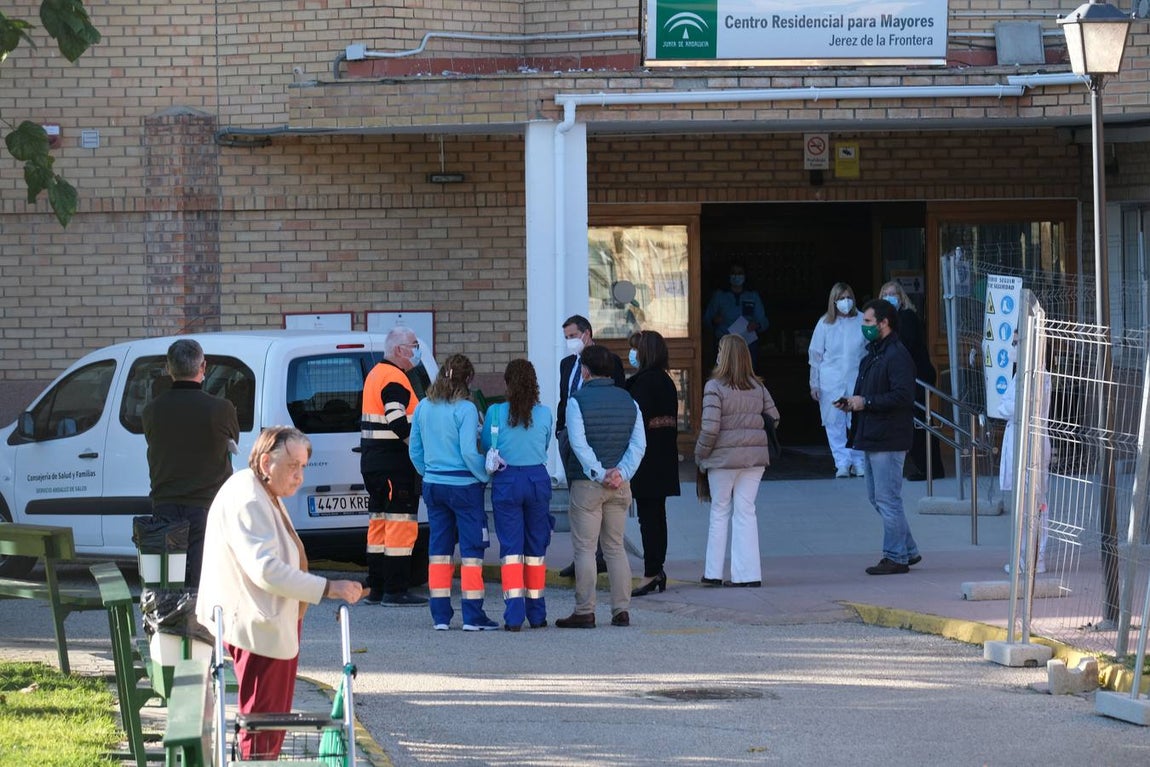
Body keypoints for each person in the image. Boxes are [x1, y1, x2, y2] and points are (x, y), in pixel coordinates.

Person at [195, 426, 364, 761]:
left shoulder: (261, 490)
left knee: (268, 724)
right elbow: (266, 569)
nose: (299, 476)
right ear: (265, 461)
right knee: (263, 726)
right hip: (259, 628)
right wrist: (328, 588)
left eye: (302, 467)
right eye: (292, 466)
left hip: (268, 623)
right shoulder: (249, 496)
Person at [556, 344, 646, 628]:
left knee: (585, 549)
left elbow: (579, 445)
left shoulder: (577, 401)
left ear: (584, 371)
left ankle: (585, 610)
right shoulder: (630, 401)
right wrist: (621, 472)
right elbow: (638, 444)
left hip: (588, 484)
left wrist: (599, 472)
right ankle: (621, 610)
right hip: (620, 485)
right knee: (615, 547)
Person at [142, 338, 239, 589]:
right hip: (208, 508)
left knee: (168, 587)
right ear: (203, 367)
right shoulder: (221, 408)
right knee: (204, 586)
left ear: (169, 368)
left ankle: (172, 628)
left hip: (165, 506)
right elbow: (233, 439)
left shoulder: (152, 410)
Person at [409, 354, 495, 631]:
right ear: (468, 380)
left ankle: (441, 617)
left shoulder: (423, 407)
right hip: (464, 486)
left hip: (434, 485)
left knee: (439, 551)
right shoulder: (466, 409)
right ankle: (472, 616)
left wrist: (429, 472)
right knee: (471, 552)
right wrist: (484, 474)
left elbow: (415, 450)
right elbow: (470, 452)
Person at [838, 298, 922, 575]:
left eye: (868, 322)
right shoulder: (874, 354)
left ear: (884, 323)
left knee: (887, 499)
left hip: (889, 437)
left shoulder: (896, 354)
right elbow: (872, 390)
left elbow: (903, 395)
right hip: (873, 433)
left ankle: (895, 556)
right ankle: (907, 549)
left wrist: (867, 402)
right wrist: (853, 402)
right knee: (878, 498)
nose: (864, 326)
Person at [695, 335, 779, 588]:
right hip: (754, 460)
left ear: (725, 355)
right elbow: (774, 418)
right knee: (746, 512)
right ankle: (748, 575)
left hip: (722, 460)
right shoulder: (758, 386)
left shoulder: (715, 387)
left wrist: (700, 454)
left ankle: (713, 573)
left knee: (720, 511)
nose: (717, 354)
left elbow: (710, 429)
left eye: (720, 350)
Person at [480, 359, 554, 630]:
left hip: (507, 481)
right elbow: (545, 443)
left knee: (511, 551)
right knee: (536, 550)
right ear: (534, 383)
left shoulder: (495, 413)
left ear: (508, 384)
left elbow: (487, 446)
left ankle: (513, 616)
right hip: (537, 479)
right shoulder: (544, 413)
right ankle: (538, 614)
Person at [360, 327, 428, 606]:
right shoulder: (394, 378)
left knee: (379, 527)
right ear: (400, 350)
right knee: (400, 527)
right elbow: (396, 418)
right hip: (394, 466)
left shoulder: (376, 373)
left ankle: (377, 587)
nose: (416, 349)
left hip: (375, 463)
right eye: (413, 344)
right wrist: (418, 445)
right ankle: (395, 589)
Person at [557, 314, 623, 578]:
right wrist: (561, 430)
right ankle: (583, 555)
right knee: (578, 498)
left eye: (573, 336)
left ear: (586, 333)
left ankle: (602, 555)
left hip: (598, 436)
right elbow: (565, 397)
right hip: (570, 437)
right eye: (566, 338)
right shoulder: (567, 364)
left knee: (601, 497)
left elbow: (619, 395)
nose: (570, 342)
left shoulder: (609, 360)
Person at [624, 331, 681, 597]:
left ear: (644, 352)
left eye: (635, 349)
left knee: (649, 518)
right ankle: (656, 569)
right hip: (663, 456)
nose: (631, 354)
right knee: (657, 515)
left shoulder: (644, 382)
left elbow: (636, 419)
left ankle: (651, 572)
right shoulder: (665, 381)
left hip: (647, 458)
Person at [879, 280, 945, 481]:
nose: (891, 297)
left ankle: (930, 468)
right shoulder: (892, 321)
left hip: (917, 377)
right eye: (886, 294)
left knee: (919, 423)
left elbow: (903, 347)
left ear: (901, 297)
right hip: (909, 377)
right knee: (917, 422)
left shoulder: (906, 317)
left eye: (894, 293)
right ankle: (929, 467)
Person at [998, 329, 1051, 574]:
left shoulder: (1037, 374)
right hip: (1021, 439)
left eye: (1017, 341)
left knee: (1034, 503)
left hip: (1032, 443)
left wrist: (1007, 406)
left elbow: (1016, 406)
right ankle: (1024, 556)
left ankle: (1033, 558)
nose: (1012, 346)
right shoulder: (1022, 373)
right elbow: (1007, 406)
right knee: (1024, 502)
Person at [808, 282, 868, 480]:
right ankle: (841, 463)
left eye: (848, 297)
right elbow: (815, 356)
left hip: (856, 378)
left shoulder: (862, 320)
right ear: (833, 301)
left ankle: (859, 462)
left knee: (857, 421)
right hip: (831, 381)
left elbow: (869, 349)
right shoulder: (825, 323)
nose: (845, 301)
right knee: (834, 422)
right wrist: (814, 384)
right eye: (841, 298)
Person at [703, 263, 769, 374]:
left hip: (747, 343)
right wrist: (714, 320)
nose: (736, 276)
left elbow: (764, 321)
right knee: (725, 377)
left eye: (740, 273)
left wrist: (757, 325)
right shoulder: (719, 296)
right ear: (728, 275)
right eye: (733, 273)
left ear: (745, 275)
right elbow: (706, 319)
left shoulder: (752, 296)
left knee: (747, 377)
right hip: (725, 343)